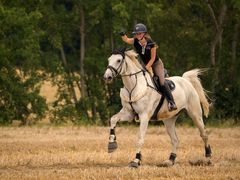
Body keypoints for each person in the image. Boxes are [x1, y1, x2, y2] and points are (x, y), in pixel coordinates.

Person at [119, 23, 177, 111]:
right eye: (136, 34)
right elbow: (126, 40)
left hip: (156, 63)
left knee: (161, 82)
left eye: (139, 33)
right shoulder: (135, 40)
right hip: (144, 63)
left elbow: (153, 58)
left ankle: (172, 102)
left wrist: (147, 68)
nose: (138, 35)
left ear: (144, 34)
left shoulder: (151, 43)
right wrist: (123, 35)